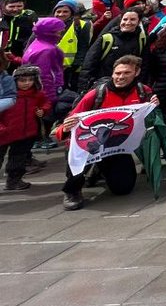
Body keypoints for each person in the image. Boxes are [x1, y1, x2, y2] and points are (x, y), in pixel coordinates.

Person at [55, 55, 157, 210]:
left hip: (116, 144)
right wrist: (66, 128)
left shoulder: (144, 91)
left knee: (123, 189)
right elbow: (70, 119)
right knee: (76, 160)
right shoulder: (96, 94)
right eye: (117, 73)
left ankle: (98, 169)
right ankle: (72, 190)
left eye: (126, 73)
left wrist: (154, 105)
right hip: (88, 142)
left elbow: (150, 117)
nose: (120, 77)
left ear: (136, 73)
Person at [0, 65, 50, 191]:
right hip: (4, 133)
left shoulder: (38, 94)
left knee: (19, 158)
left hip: (26, 134)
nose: (27, 83)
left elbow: (46, 103)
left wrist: (43, 110)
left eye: (30, 80)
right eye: (22, 80)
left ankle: (14, 180)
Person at [79, 8, 146, 88]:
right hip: (104, 85)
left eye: (133, 19)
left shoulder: (142, 39)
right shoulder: (107, 38)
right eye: (125, 19)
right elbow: (89, 64)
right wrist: (83, 88)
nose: (128, 22)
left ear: (138, 22)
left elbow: (145, 64)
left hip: (130, 86)